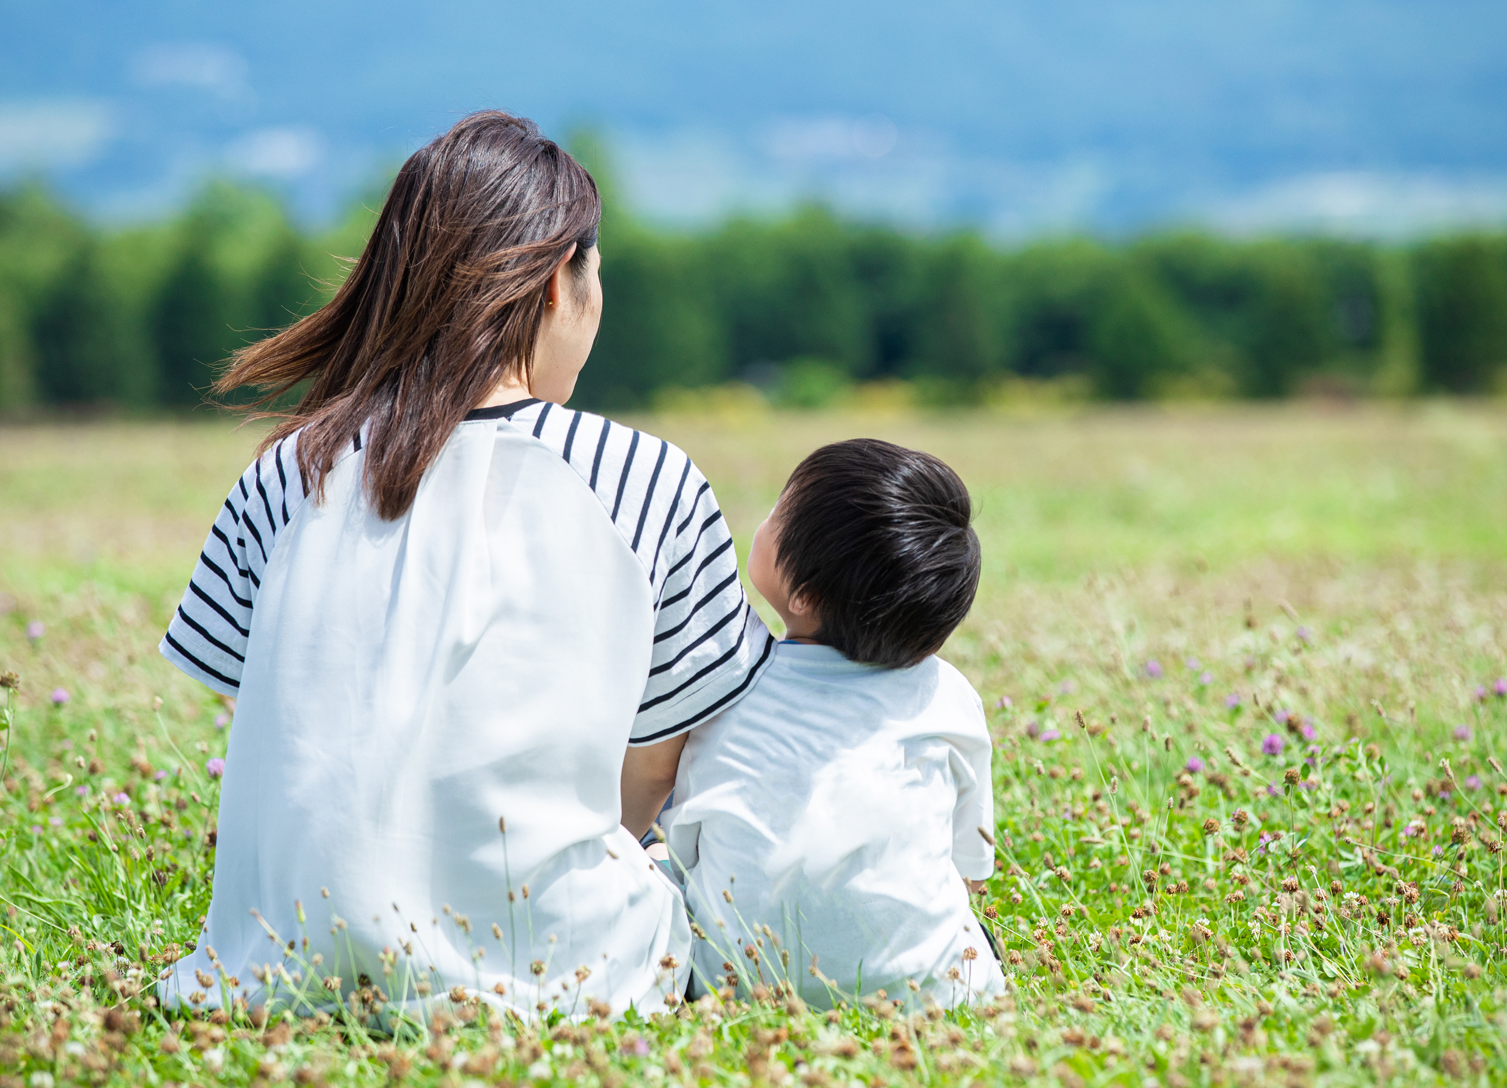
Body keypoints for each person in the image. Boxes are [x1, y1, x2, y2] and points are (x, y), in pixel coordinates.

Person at [155, 111, 773, 1019]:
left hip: (278, 963)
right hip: (560, 971)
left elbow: (278, 722)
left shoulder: (286, 472)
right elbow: (656, 770)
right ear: (561, 282)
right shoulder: (649, 479)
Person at [662, 438, 1001, 1009]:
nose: (765, 515)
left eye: (778, 509)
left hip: (734, 982)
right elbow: (969, 866)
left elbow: (686, 843)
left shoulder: (726, 681)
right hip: (926, 991)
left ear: (802, 594)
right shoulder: (946, 695)